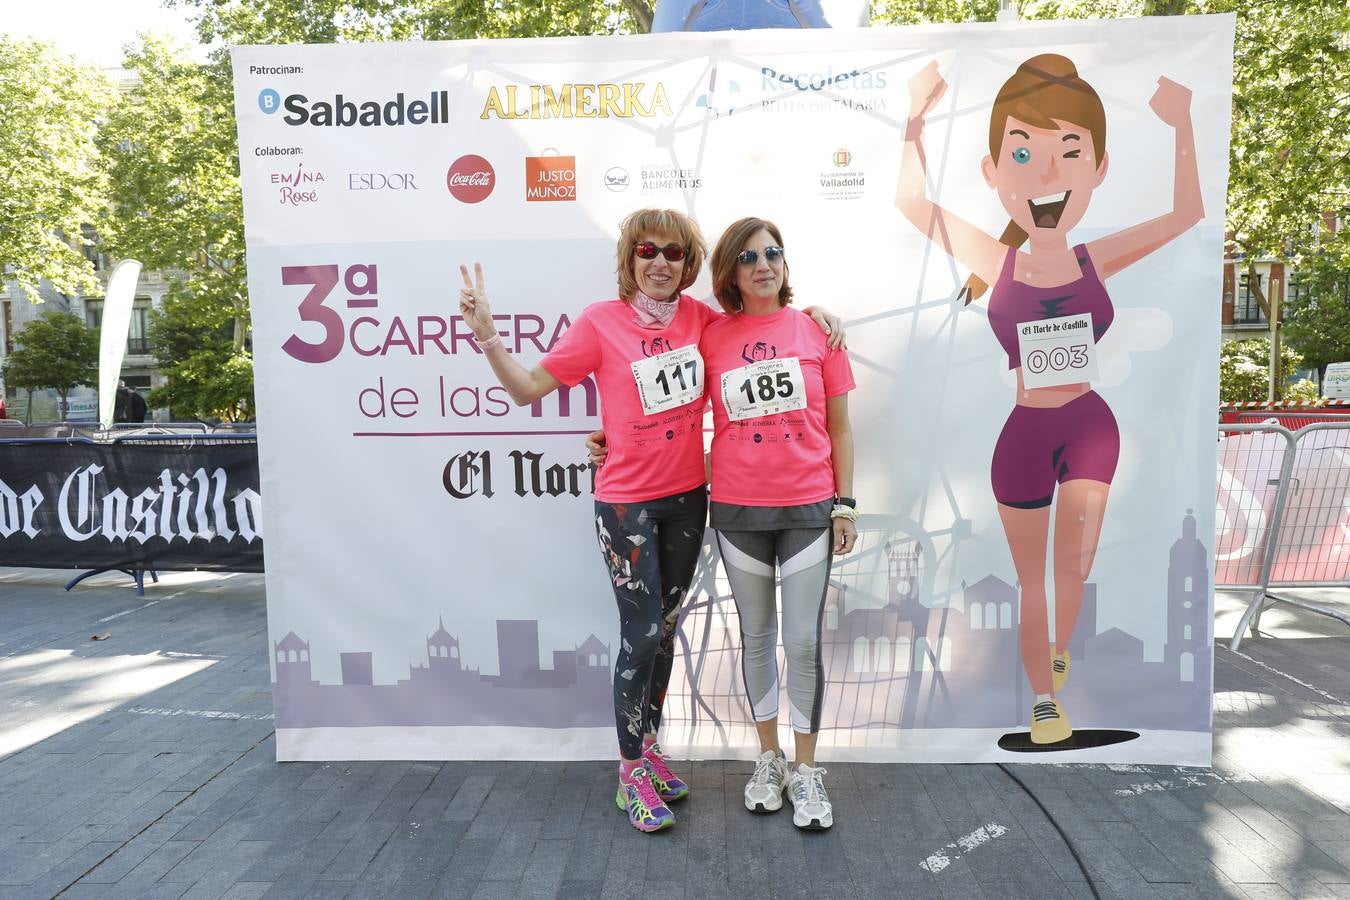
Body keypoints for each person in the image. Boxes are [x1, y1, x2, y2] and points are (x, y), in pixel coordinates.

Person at [456, 208, 843, 833]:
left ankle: (652, 746)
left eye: (672, 252)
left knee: (664, 629)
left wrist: (819, 315)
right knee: (639, 632)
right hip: (627, 504)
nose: (659, 262)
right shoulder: (599, 322)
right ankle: (629, 769)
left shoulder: (701, 320)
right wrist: (488, 336)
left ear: (688, 264)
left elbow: (761, 330)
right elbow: (528, 389)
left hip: (689, 496)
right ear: (629, 260)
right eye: (646, 251)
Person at [897, 56, 1202, 744]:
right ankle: (1044, 700)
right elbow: (913, 207)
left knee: (1075, 567)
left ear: (1097, 168)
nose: (1046, 173)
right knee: (1031, 578)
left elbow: (1188, 213)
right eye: (1025, 153)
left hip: (1090, 426)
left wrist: (1183, 124)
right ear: (993, 171)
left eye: (1069, 152)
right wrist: (915, 119)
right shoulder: (994, 260)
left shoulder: (1096, 259)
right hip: (1025, 437)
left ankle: (1057, 649)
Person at [699, 216, 856, 830]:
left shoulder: (819, 332)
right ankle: (768, 758)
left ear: (785, 264)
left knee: (803, 642)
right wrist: (613, 442)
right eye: (748, 257)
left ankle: (806, 769)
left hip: (808, 509)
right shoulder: (711, 336)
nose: (763, 264)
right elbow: (673, 407)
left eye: (773, 253)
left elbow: (840, 428)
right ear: (730, 272)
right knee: (757, 637)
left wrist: (846, 503)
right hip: (738, 510)